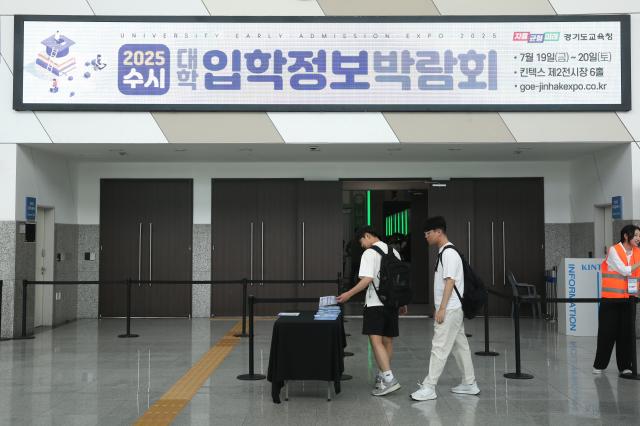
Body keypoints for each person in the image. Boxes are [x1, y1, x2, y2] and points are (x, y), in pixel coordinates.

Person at [411, 216, 479, 401]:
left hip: (449, 310)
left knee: (439, 347)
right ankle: (470, 383)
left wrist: (441, 308)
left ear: (438, 232)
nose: (426, 237)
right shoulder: (445, 252)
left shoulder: (448, 253)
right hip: (453, 309)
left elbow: (450, 281)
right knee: (460, 347)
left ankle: (429, 386)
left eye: (428, 233)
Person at [337, 226, 407, 396]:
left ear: (367, 236)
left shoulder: (369, 253)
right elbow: (400, 281)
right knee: (388, 341)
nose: (362, 245)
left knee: (376, 342)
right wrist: (402, 302)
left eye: (361, 241)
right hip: (391, 304)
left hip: (375, 304)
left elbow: (367, 279)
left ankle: (389, 379)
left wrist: (348, 293)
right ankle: (383, 376)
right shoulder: (394, 252)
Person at [593, 224, 640, 375]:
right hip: (611, 300)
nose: (639, 238)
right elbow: (624, 270)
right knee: (607, 333)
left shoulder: (638, 252)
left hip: (629, 299)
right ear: (626, 235)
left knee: (626, 334)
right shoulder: (614, 250)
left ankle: (625, 366)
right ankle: (599, 365)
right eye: (636, 235)